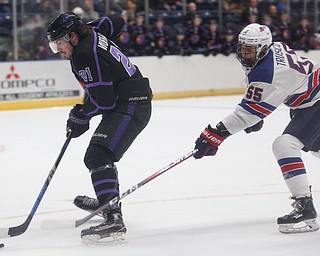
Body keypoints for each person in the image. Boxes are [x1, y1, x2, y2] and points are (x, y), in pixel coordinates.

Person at [193, 23, 320, 234]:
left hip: (314, 103)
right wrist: (258, 112)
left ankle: (305, 208)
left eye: (250, 49)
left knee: (284, 145)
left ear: (262, 48)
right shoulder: (273, 48)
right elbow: (282, 85)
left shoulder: (269, 73)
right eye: (243, 47)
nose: (245, 53)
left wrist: (215, 134)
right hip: (309, 101)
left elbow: (246, 114)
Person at [46, 12, 153, 243]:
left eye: (59, 43)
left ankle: (113, 216)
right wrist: (90, 26)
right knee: (97, 154)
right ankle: (108, 201)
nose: (58, 50)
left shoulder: (84, 54)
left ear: (72, 36)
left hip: (132, 104)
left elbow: (104, 101)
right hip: (128, 99)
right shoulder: (93, 32)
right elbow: (117, 20)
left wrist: (80, 116)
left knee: (98, 154)